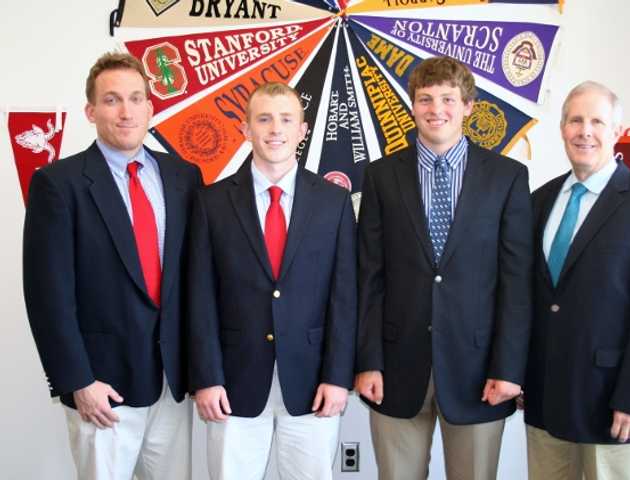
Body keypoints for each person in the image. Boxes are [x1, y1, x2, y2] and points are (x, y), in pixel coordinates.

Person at [23, 52, 202, 480]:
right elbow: (48, 295)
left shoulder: (185, 177)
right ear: (91, 110)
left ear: (150, 107)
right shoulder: (58, 184)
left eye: (136, 98)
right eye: (112, 100)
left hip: (172, 389)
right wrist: (78, 381)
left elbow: (197, 281)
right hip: (102, 391)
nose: (126, 111)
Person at [354, 56, 533, 480]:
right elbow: (369, 276)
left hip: (479, 374)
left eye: (449, 99)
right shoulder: (380, 176)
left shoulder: (507, 177)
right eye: (425, 99)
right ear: (412, 106)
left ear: (468, 106)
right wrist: (367, 360)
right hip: (394, 370)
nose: (437, 109)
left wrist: (508, 368)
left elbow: (516, 281)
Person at [187, 82, 357, 480]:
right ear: (245, 128)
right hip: (233, 383)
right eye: (263, 119)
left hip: (313, 382)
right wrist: (207, 378)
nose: (275, 129)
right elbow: (200, 297)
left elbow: (345, 296)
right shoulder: (212, 203)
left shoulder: (333, 203)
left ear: (303, 130)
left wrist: (337, 377)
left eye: (286, 119)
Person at [523, 81, 630, 480]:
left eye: (597, 121)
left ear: (616, 131)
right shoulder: (538, 201)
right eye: (576, 120)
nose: (585, 131)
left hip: (615, 404)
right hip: (545, 398)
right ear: (562, 128)